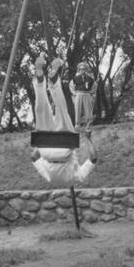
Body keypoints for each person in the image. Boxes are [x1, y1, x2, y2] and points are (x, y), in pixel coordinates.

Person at [31, 54, 97, 185]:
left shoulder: (77, 178)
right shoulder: (49, 179)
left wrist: (88, 138)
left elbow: (93, 159)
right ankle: (40, 83)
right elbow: (34, 157)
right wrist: (41, 141)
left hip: (65, 147)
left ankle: (54, 82)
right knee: (41, 110)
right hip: (46, 148)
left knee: (62, 111)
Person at [69, 61, 97, 133]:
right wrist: (74, 93)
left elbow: (94, 86)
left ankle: (88, 126)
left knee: (88, 110)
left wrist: (91, 92)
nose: (82, 70)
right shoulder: (75, 78)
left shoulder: (90, 79)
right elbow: (71, 86)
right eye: (80, 69)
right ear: (79, 70)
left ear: (86, 70)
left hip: (87, 94)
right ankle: (77, 126)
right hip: (78, 94)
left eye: (83, 69)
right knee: (77, 109)